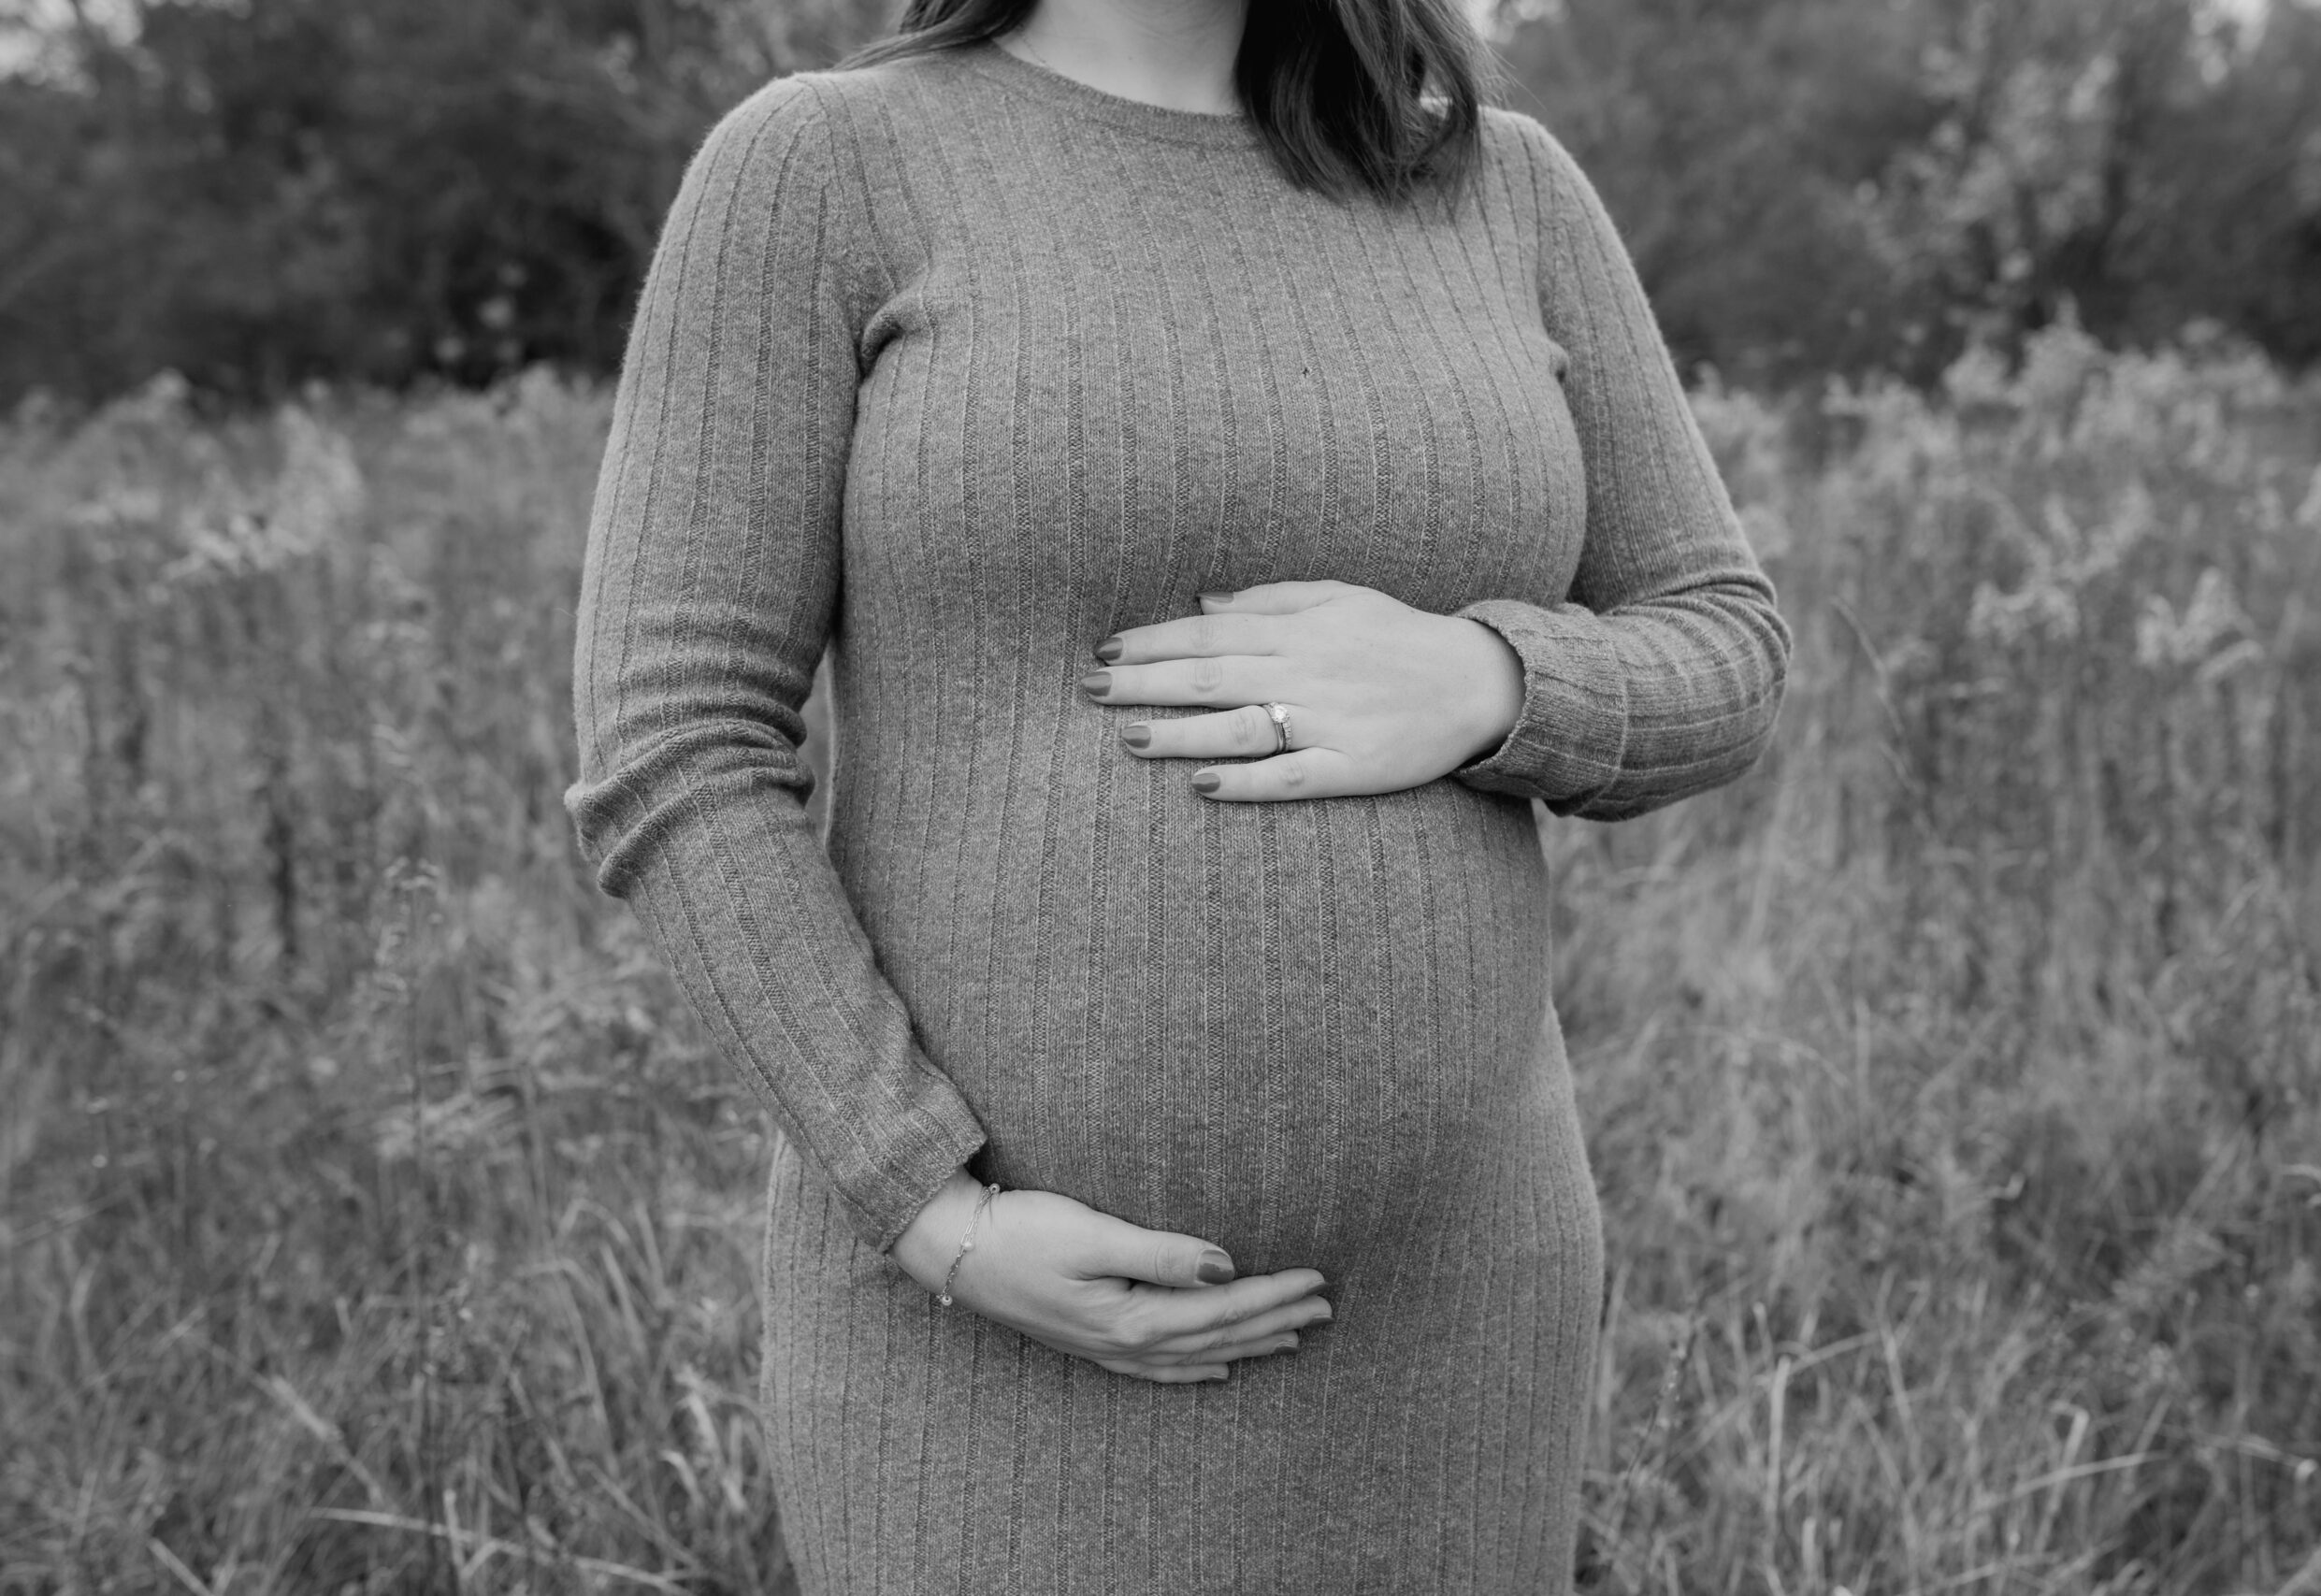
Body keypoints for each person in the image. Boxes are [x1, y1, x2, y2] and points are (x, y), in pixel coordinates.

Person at [566, 0, 1788, 1587]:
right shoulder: (823, 168)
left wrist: (1494, 684)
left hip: (1453, 1312)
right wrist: (929, 1209)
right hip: (987, 1331)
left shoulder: (1506, 191)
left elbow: (1726, 646)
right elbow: (676, 732)